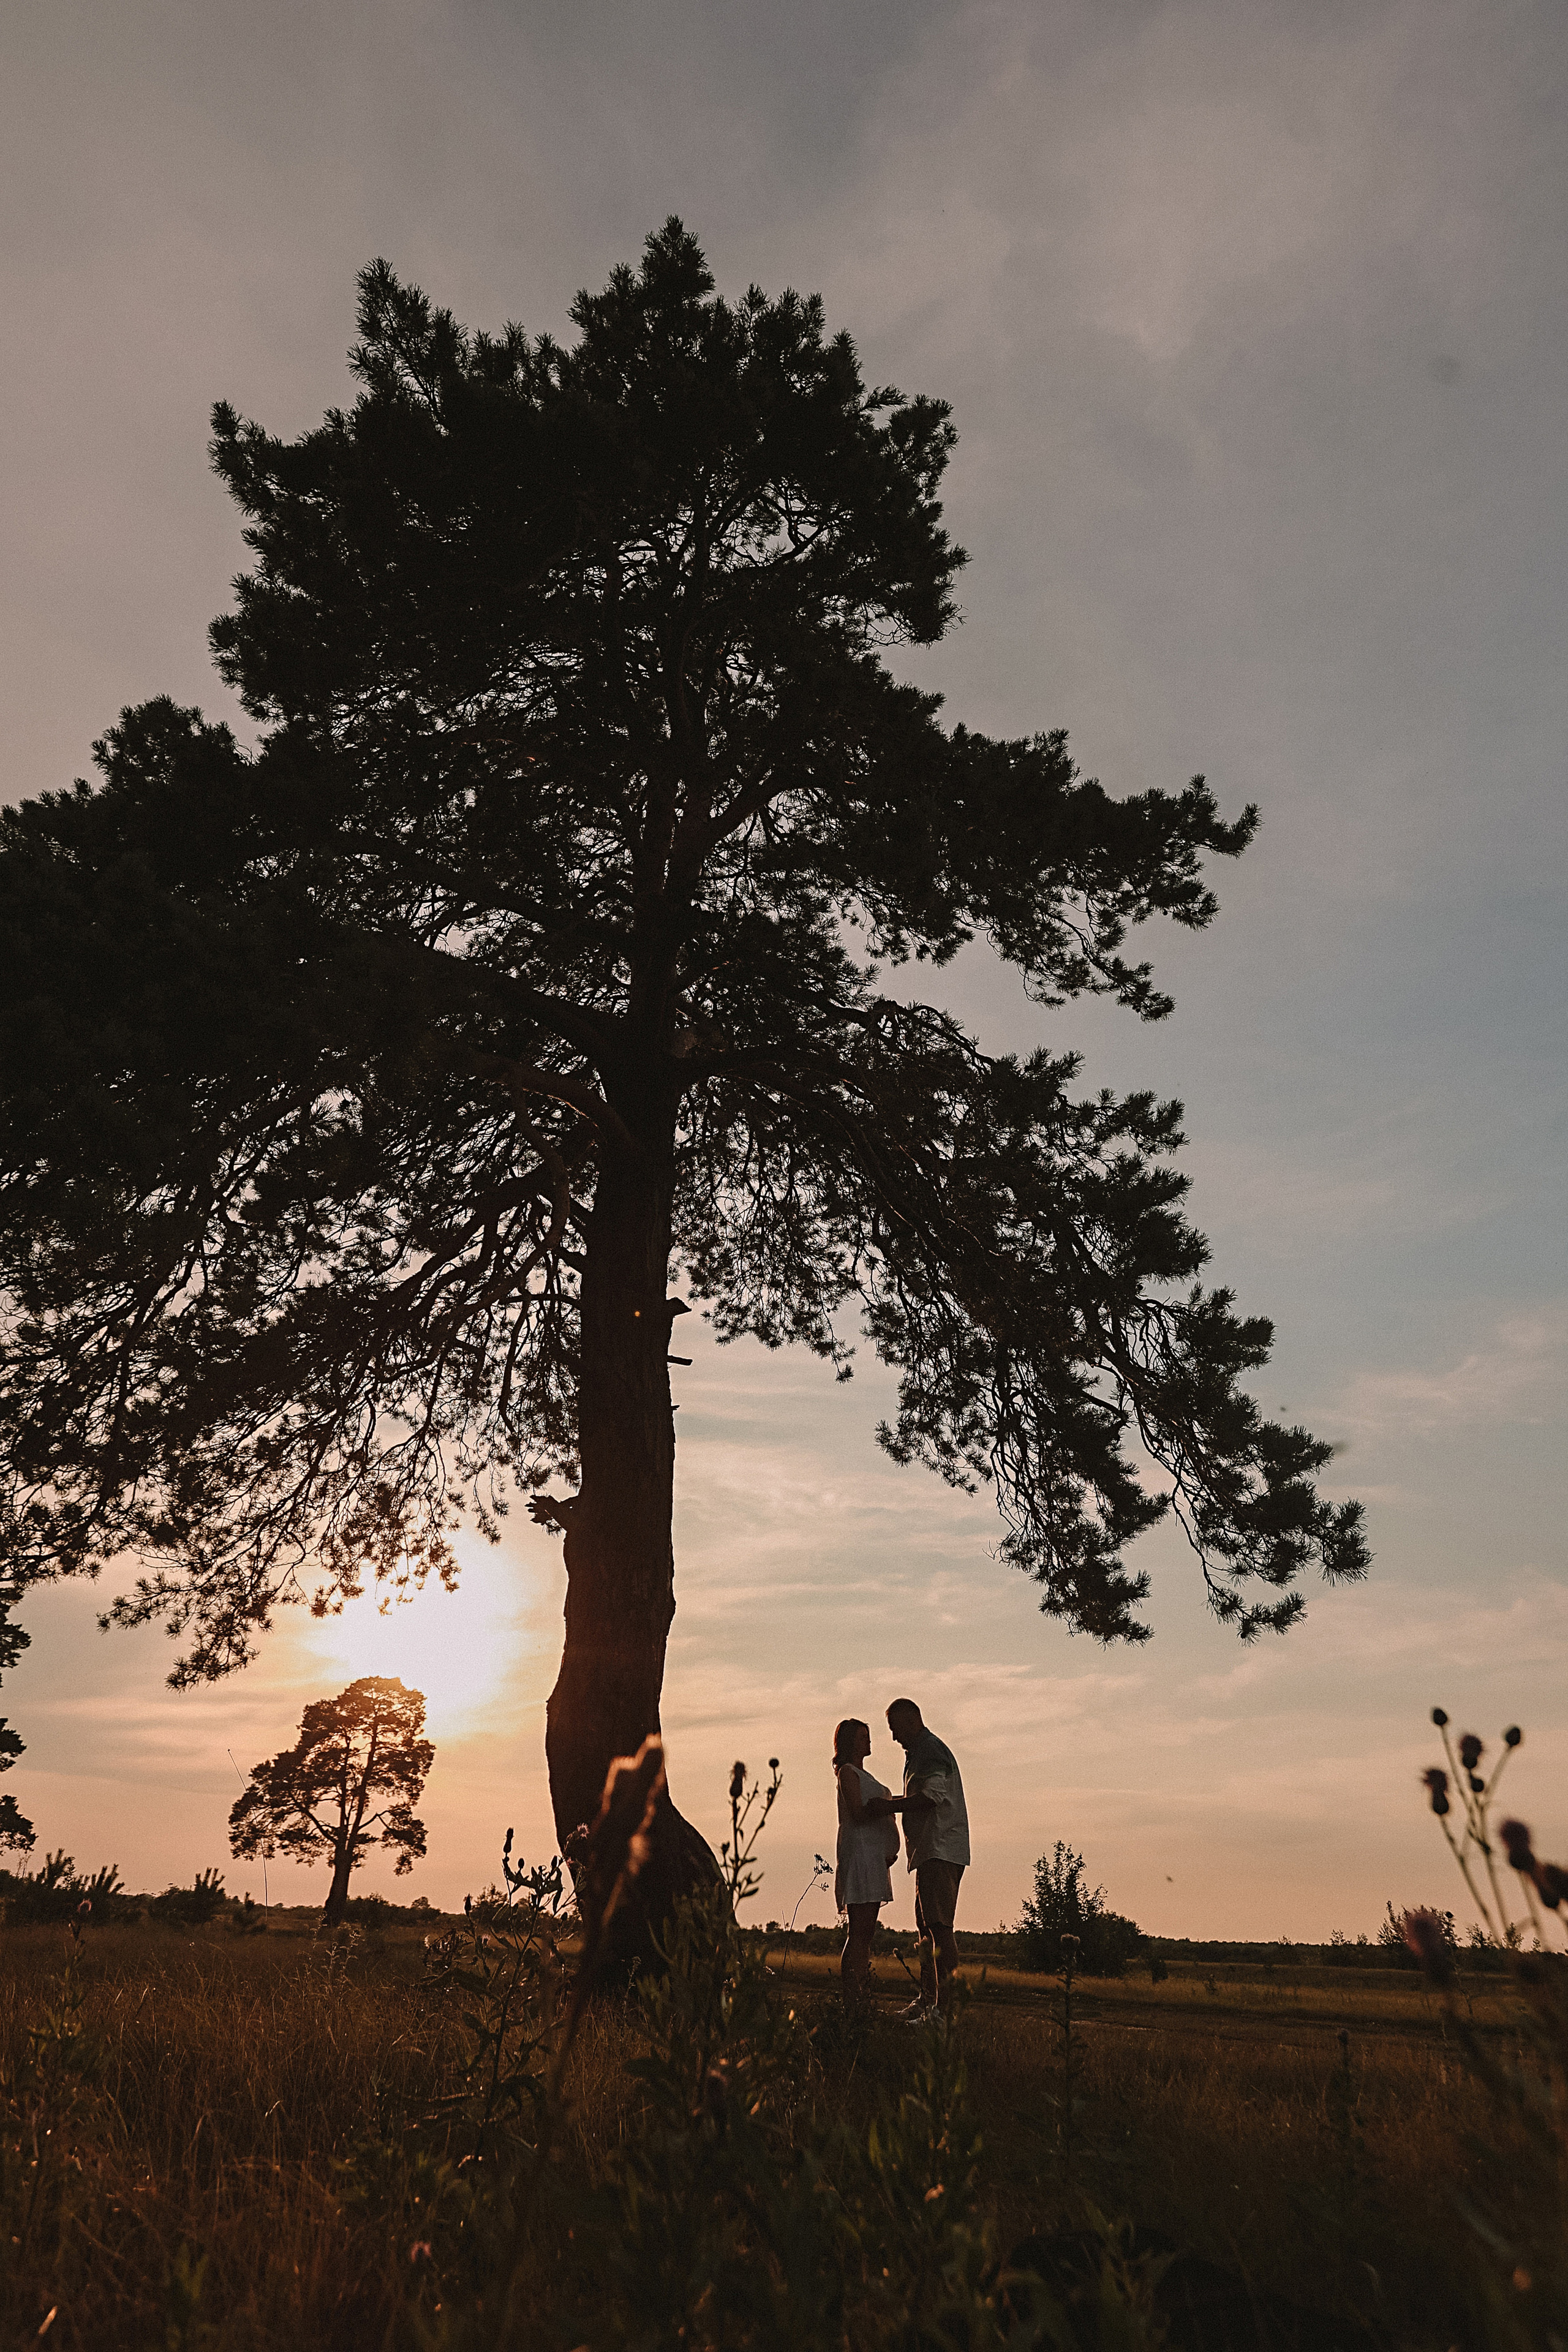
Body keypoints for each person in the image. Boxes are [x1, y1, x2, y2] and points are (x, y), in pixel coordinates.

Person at [883, 1698, 970, 2016]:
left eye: (895, 1729)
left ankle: (943, 2010)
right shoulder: (920, 1753)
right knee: (926, 1927)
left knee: (939, 1927)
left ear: (911, 1721)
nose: (893, 1738)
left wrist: (888, 1806)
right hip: (930, 1850)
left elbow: (931, 1798)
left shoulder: (929, 1750)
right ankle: (928, 2001)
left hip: (939, 1848)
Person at [832, 1717, 901, 2010]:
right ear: (850, 1743)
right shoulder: (848, 1773)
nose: (869, 1742)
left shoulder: (863, 1774)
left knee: (866, 1932)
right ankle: (853, 1998)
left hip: (873, 1858)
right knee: (859, 1931)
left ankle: (860, 1994)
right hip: (860, 1856)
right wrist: (891, 1807)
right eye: (863, 1737)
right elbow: (859, 1814)